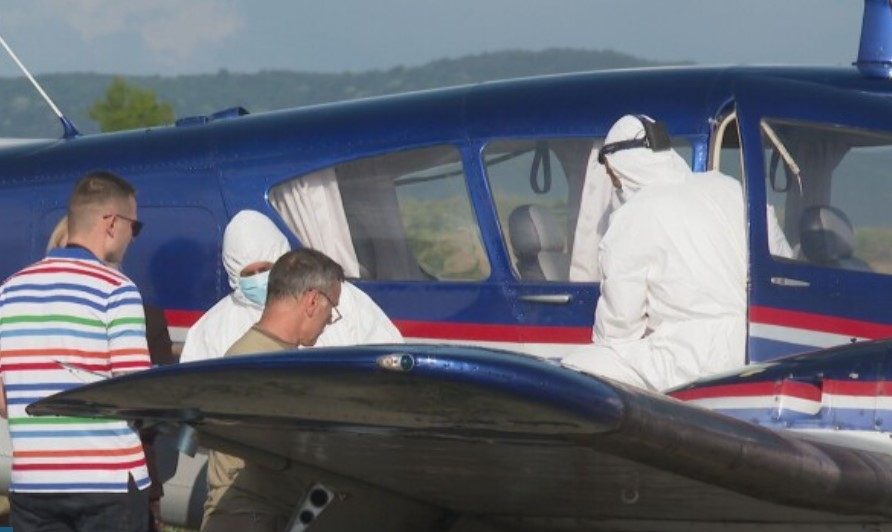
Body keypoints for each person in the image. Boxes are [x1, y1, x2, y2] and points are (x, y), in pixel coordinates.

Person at [0, 171, 152, 531]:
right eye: (136, 225)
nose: (134, 236)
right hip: (108, 482)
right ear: (113, 223)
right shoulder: (117, 290)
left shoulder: (9, 291)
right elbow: (136, 392)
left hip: (34, 482)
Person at [562, 115, 748, 391]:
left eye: (613, 175)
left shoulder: (633, 216)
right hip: (750, 347)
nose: (615, 184)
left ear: (621, 167)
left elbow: (619, 328)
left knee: (576, 369)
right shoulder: (729, 188)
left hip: (690, 359)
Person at [201, 248, 342, 531]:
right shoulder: (265, 367)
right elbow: (278, 454)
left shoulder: (254, 356)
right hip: (252, 518)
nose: (329, 320)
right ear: (313, 300)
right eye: (332, 308)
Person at [180, 209, 402, 364]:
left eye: (265, 268)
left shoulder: (341, 295)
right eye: (248, 274)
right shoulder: (213, 328)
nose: (258, 279)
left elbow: (388, 356)